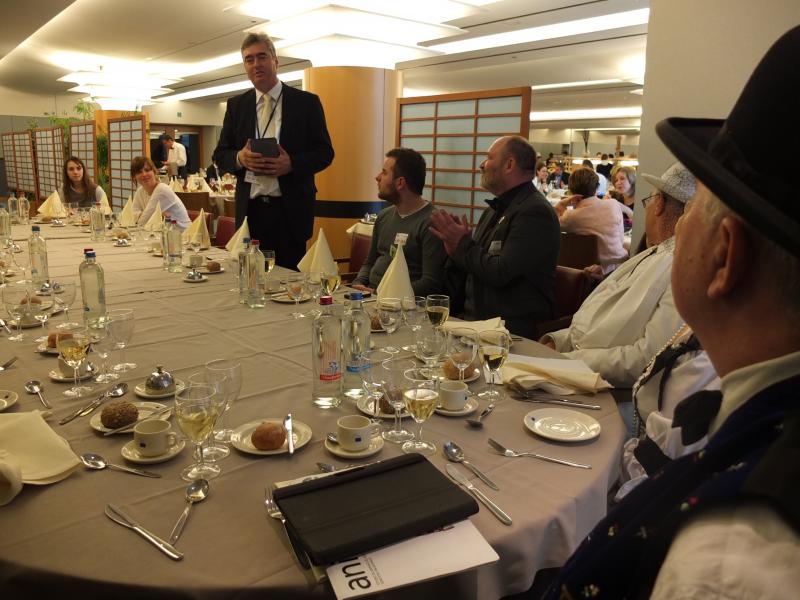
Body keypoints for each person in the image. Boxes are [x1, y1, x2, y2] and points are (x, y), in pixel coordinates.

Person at [543, 26, 800, 599]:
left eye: (693, 211)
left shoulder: (727, 563)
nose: (671, 228)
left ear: (726, 256)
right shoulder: (749, 412)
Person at [541, 162, 694, 387]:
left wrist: (565, 360)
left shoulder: (680, 269)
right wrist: (558, 343)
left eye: (648, 201)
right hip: (571, 366)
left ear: (659, 204)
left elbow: (647, 358)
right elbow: (590, 326)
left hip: (602, 389)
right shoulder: (653, 252)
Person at [213, 32, 334, 269]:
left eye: (262, 57)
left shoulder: (306, 103)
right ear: (245, 66)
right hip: (251, 212)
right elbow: (220, 154)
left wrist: (292, 164)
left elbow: (325, 153)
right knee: (250, 280)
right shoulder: (237, 106)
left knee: (289, 282)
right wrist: (240, 158)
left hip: (290, 213)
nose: (256, 64)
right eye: (249, 59)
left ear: (275, 61)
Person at [429, 135, 560, 338]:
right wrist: (455, 250)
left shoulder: (535, 211)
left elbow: (501, 271)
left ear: (509, 164)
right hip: (474, 321)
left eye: (489, 158)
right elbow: (477, 264)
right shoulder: (495, 209)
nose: (482, 165)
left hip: (508, 331)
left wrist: (462, 245)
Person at [351, 148, 446, 296]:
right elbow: (369, 262)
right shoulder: (384, 216)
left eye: (384, 173)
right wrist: (358, 283)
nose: (377, 177)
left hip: (402, 304)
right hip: (370, 296)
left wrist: (382, 294)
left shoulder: (432, 222)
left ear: (400, 182)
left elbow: (430, 283)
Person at [554, 167, 626, 274]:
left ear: (571, 191)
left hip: (585, 272)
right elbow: (621, 239)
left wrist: (560, 205)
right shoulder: (613, 204)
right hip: (620, 269)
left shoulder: (571, 217)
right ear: (596, 188)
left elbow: (551, 225)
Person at [130, 156, 191, 230]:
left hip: (183, 234)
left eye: (147, 170)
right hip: (161, 233)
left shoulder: (161, 190)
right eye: (139, 172)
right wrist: (152, 216)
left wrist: (142, 216)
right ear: (134, 177)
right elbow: (132, 217)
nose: (144, 174)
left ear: (154, 171)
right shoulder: (140, 192)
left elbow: (142, 222)